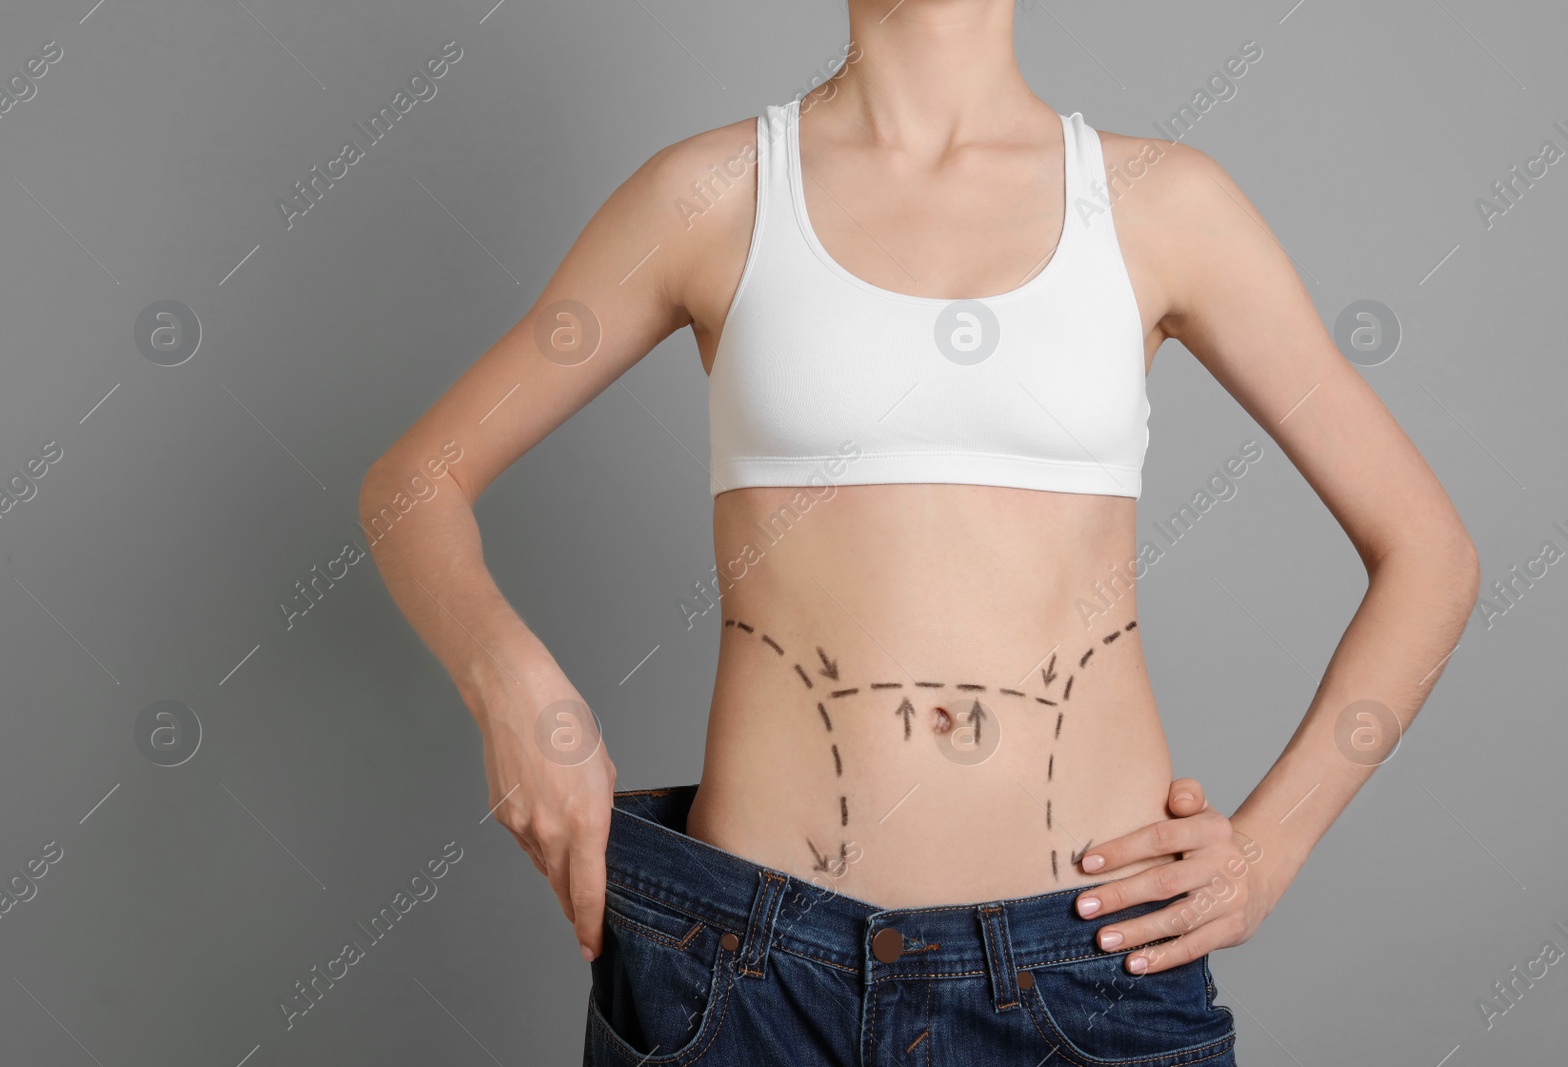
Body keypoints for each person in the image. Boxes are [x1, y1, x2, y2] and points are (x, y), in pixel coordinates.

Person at [361, 2, 1479, 1062]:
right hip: (745, 982)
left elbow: (1429, 553)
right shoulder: (714, 194)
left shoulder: (1160, 203)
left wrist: (1268, 849)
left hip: (1088, 974)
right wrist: (513, 685)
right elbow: (416, 481)